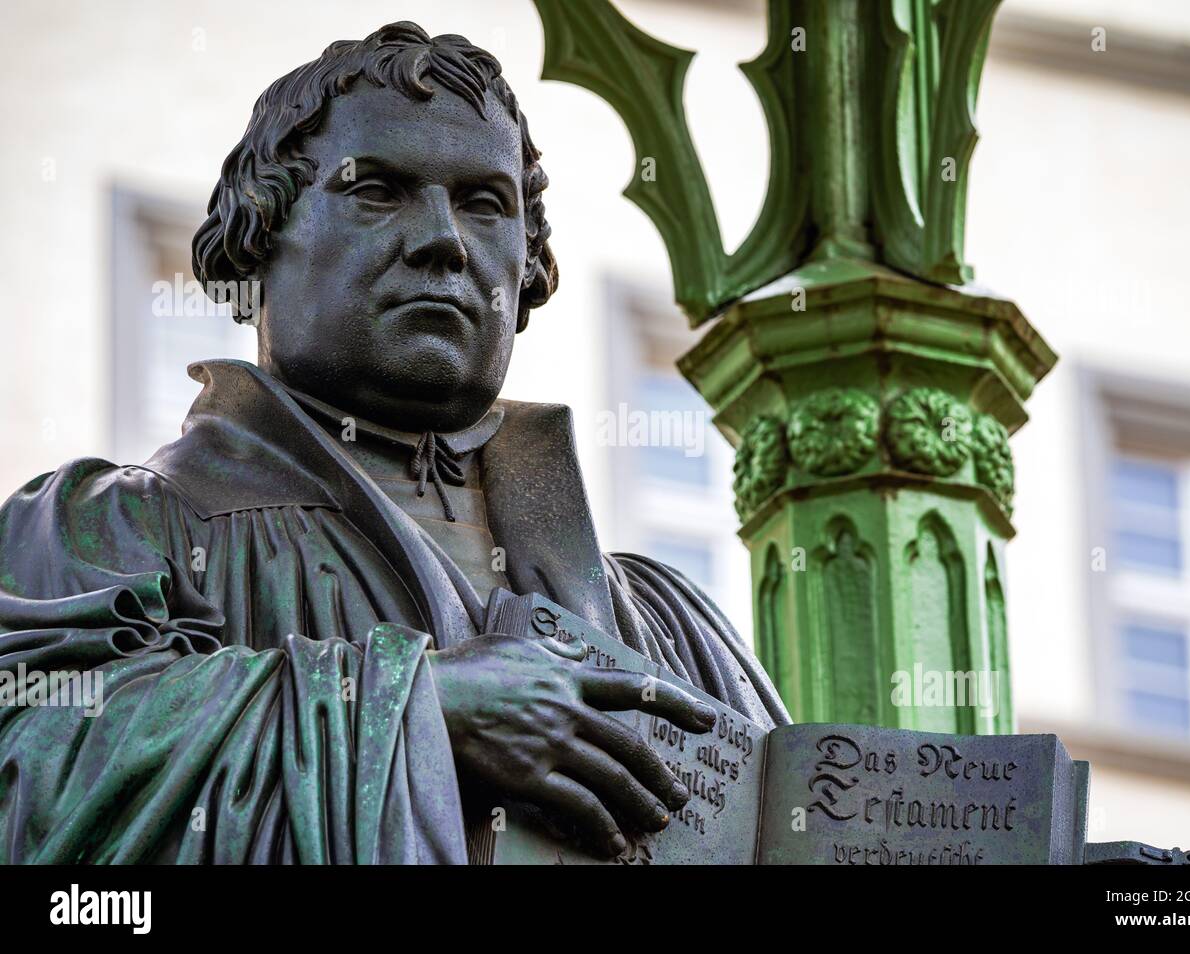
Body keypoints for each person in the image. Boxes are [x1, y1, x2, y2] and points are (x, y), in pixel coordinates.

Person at [0, 21, 787, 864]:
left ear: (527, 264)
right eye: (378, 191)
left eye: (487, 203)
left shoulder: (676, 627)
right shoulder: (107, 537)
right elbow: (34, 780)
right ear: (258, 240)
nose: (445, 239)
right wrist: (418, 711)